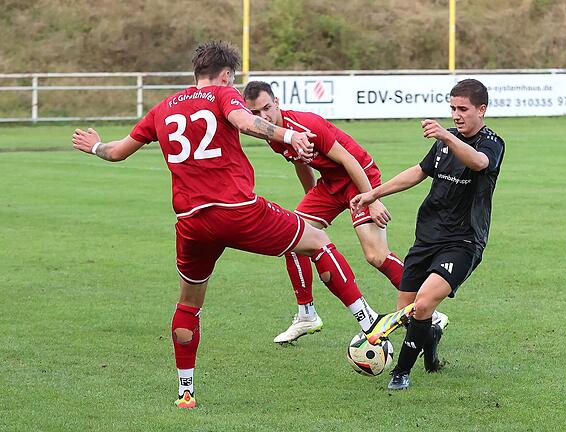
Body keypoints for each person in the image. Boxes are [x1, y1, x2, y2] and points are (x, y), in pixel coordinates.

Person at [71, 41, 413, 408]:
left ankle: (185, 392)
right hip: (237, 211)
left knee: (188, 304)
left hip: (190, 223)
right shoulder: (222, 94)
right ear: (226, 75)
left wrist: (94, 146)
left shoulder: (161, 109)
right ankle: (368, 321)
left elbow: (117, 151)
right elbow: (246, 122)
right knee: (318, 241)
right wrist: (288, 134)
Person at [242, 81, 447, 343]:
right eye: (255, 114)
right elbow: (300, 162)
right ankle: (307, 315)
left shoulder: (308, 125)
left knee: (375, 255)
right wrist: (311, 199)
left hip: (358, 177)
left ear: (277, 102)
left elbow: (349, 159)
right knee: (293, 236)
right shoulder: (273, 135)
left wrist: (372, 199)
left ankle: (428, 308)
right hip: (329, 184)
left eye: (267, 108)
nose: (263, 117)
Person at [351, 79, 504, 391]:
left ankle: (400, 374)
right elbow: (418, 172)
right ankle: (431, 338)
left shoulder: (492, 143)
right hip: (426, 238)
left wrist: (447, 135)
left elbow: (479, 162)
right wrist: (373, 194)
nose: (457, 114)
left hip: (464, 241)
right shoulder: (443, 145)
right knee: (411, 314)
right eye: (452, 108)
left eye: (463, 109)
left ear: (482, 109)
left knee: (421, 305)